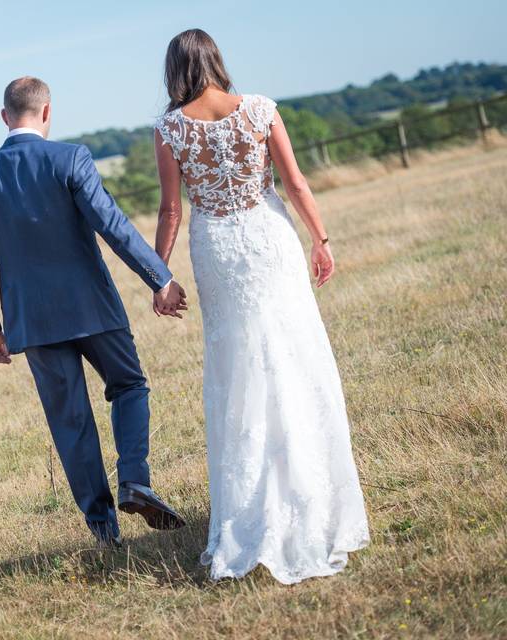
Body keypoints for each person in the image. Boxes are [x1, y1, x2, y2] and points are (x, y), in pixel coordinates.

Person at [152, 28, 370, 583]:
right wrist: (321, 239)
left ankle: (251, 509)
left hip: (219, 249)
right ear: (216, 61)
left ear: (175, 70)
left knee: (240, 368)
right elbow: (295, 183)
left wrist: (160, 276)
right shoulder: (260, 109)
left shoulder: (170, 129)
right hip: (269, 239)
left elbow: (171, 212)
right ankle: (312, 494)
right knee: (294, 357)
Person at [0, 76, 187, 548]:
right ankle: (135, 480)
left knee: (70, 421)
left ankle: (104, 533)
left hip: (33, 323)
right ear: (46, 113)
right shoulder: (71, 158)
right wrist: (160, 278)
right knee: (127, 385)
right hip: (93, 306)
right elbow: (112, 225)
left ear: (5, 117)